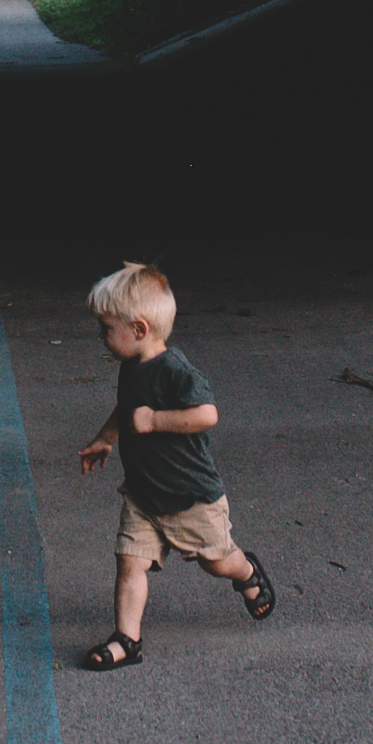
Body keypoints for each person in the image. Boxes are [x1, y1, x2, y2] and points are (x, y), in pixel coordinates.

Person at [77, 260, 273, 668]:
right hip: (144, 494)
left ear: (140, 329)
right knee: (129, 562)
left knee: (215, 562)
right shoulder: (131, 367)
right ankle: (127, 640)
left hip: (191, 497)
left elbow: (206, 415)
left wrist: (154, 420)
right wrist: (105, 438)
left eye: (107, 328)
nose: (101, 336)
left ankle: (246, 571)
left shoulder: (175, 370)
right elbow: (126, 408)